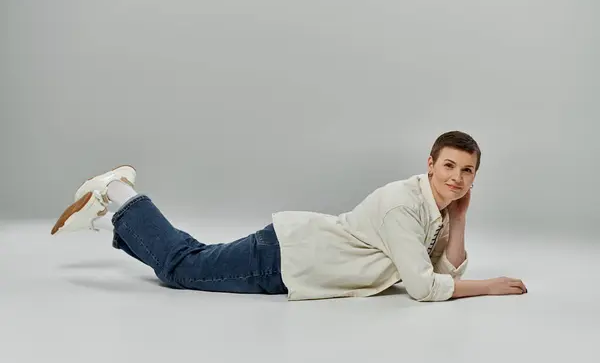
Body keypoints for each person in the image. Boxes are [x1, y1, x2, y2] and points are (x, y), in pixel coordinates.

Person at [50, 130, 527, 301]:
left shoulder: (437, 211)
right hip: (286, 258)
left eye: (467, 171)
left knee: (188, 260)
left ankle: (112, 209)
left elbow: (439, 270)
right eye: (449, 166)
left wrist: (460, 220)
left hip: (293, 256)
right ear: (430, 164)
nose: (457, 178)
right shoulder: (404, 204)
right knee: (181, 267)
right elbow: (423, 288)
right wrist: (487, 286)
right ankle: (116, 192)